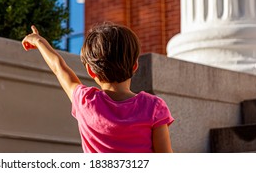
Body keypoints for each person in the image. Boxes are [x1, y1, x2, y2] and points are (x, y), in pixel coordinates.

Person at [22, 22, 174, 153]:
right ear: (135, 66)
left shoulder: (85, 101)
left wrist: (39, 41)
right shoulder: (154, 107)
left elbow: (59, 68)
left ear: (90, 70)